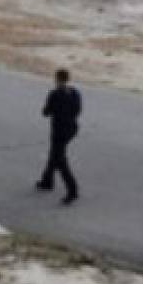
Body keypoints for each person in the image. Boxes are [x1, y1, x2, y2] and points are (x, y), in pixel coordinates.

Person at [37, 68, 81, 204]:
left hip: (59, 131)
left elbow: (46, 112)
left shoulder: (55, 94)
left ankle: (72, 190)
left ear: (57, 79)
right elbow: (78, 110)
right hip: (71, 128)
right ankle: (47, 180)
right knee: (54, 154)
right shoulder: (75, 93)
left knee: (60, 160)